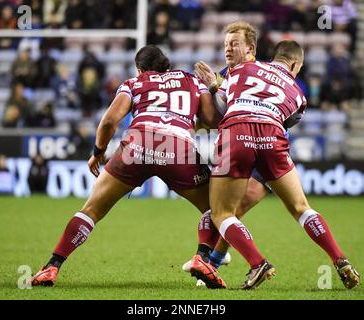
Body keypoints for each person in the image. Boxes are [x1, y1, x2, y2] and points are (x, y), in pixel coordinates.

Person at [30, 45, 221, 286]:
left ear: (140, 69)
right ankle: (202, 257)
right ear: (166, 64)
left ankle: (52, 267)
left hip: (137, 146)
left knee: (91, 210)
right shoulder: (192, 80)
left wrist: (98, 151)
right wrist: (215, 87)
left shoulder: (134, 83)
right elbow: (213, 120)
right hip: (177, 148)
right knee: (216, 208)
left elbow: (109, 120)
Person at [199, 40, 360, 290]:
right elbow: (287, 121)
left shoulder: (241, 69)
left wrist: (213, 86)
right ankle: (340, 259)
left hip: (237, 130)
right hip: (272, 136)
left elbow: (222, 104)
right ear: (295, 64)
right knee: (301, 207)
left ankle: (256, 263)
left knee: (222, 212)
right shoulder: (299, 95)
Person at [184, 22, 275, 287]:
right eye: (225, 44)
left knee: (233, 209)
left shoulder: (262, 73)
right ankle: (212, 261)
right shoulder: (225, 73)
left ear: (251, 48)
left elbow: (240, 108)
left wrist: (214, 86)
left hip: (266, 149)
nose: (228, 49)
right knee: (224, 212)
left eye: (234, 44)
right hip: (238, 144)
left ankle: (215, 261)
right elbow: (219, 116)